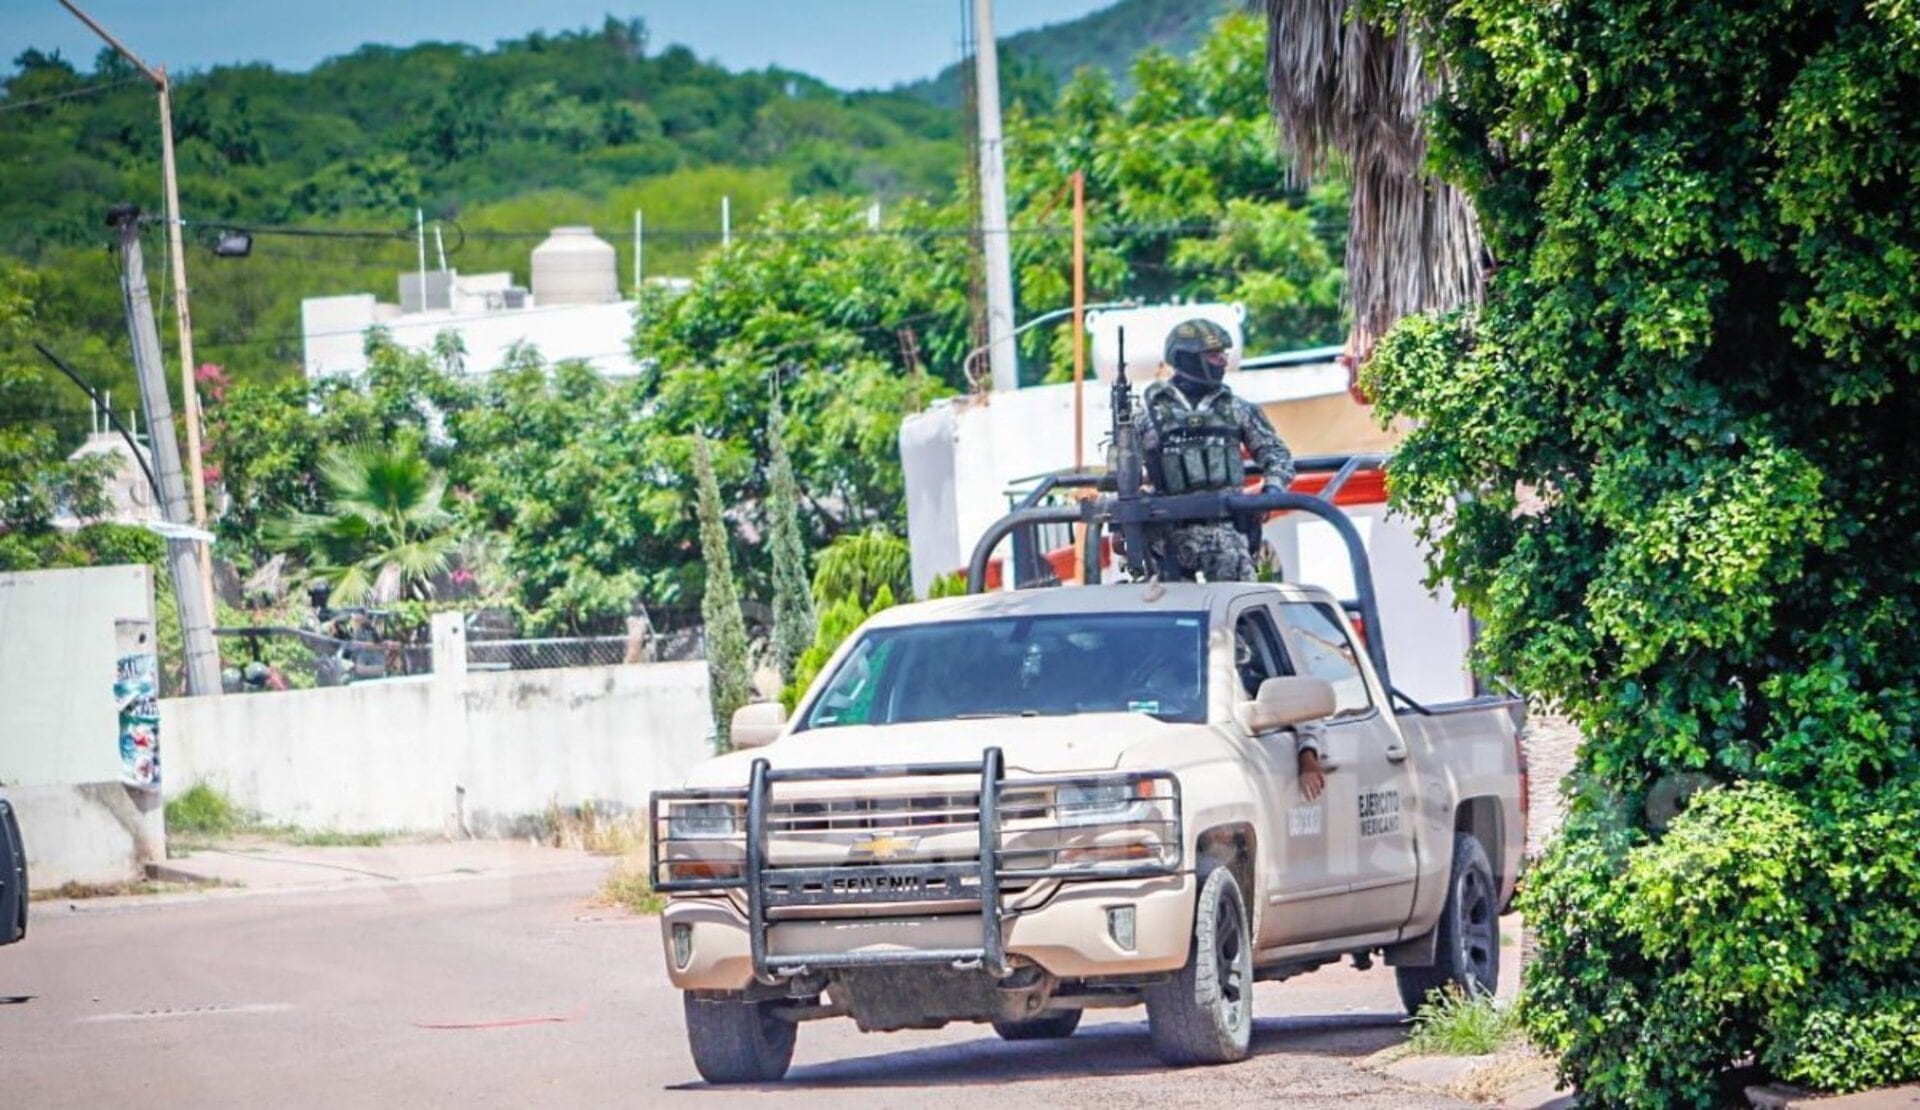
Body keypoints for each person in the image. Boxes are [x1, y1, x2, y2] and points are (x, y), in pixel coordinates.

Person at [1135, 318, 1295, 581]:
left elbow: (1276, 454)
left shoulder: (1237, 409)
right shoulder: (1147, 416)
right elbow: (1123, 471)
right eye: (1213, 355)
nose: (1222, 361)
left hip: (1228, 531)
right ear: (1186, 358)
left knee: (1238, 600)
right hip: (1168, 535)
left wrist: (1271, 492)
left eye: (1223, 354)